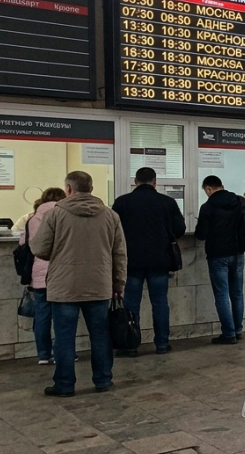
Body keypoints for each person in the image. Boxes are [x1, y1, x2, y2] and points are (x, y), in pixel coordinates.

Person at [30, 171, 126, 397]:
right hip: (99, 284)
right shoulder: (111, 216)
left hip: (64, 286)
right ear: (91, 189)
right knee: (100, 335)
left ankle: (64, 384)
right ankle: (103, 380)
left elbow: (39, 249)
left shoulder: (54, 215)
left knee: (64, 336)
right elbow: (119, 254)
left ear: (69, 189)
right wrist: (118, 283)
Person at [112, 167, 186, 356]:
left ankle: (131, 345)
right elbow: (180, 228)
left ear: (135, 182)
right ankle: (162, 344)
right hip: (160, 261)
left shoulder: (122, 202)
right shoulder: (167, 202)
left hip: (131, 262)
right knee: (160, 303)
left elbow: (113, 232)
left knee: (131, 304)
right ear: (155, 182)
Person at [195, 175, 245, 345]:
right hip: (238, 253)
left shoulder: (207, 207)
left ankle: (228, 334)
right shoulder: (239, 201)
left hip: (218, 255)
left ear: (208, 188)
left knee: (222, 294)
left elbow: (201, 235)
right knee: (237, 293)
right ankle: (238, 330)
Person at [22, 188, 65, 365]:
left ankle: (43, 355)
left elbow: (24, 244)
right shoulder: (63, 215)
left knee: (42, 316)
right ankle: (61, 352)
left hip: (38, 274)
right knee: (62, 317)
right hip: (60, 273)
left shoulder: (32, 219)